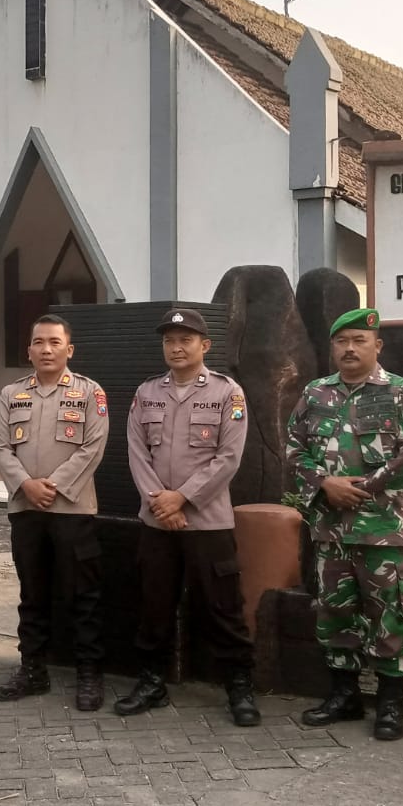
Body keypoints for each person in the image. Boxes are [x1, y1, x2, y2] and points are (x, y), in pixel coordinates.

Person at [284, 307, 403, 741]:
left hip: (382, 528)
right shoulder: (315, 394)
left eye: (359, 341)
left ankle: (389, 704)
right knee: (334, 612)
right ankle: (343, 696)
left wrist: (361, 487)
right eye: (342, 341)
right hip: (330, 529)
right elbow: (294, 448)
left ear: (376, 346)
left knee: (390, 614)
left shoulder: (401, 392)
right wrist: (326, 483)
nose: (349, 348)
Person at [114, 309, 260, 726]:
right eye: (169, 341)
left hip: (208, 522)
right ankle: (151, 681)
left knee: (222, 606)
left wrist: (183, 500)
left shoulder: (227, 393)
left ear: (205, 346)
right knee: (154, 604)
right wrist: (160, 502)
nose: (176, 348)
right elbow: (137, 452)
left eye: (185, 340)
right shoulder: (147, 393)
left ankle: (239, 686)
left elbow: (228, 458)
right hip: (157, 521)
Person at [0, 314, 110, 710]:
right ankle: (32, 670)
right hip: (26, 510)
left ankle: (89, 674)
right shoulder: (12, 394)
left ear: (68, 349)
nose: (46, 349)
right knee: (32, 594)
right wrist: (26, 485)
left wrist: (52, 486)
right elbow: (1, 446)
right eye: (38, 342)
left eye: (54, 342)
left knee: (84, 596)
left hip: (72, 510)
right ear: (29, 349)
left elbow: (93, 446)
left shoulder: (90, 393)